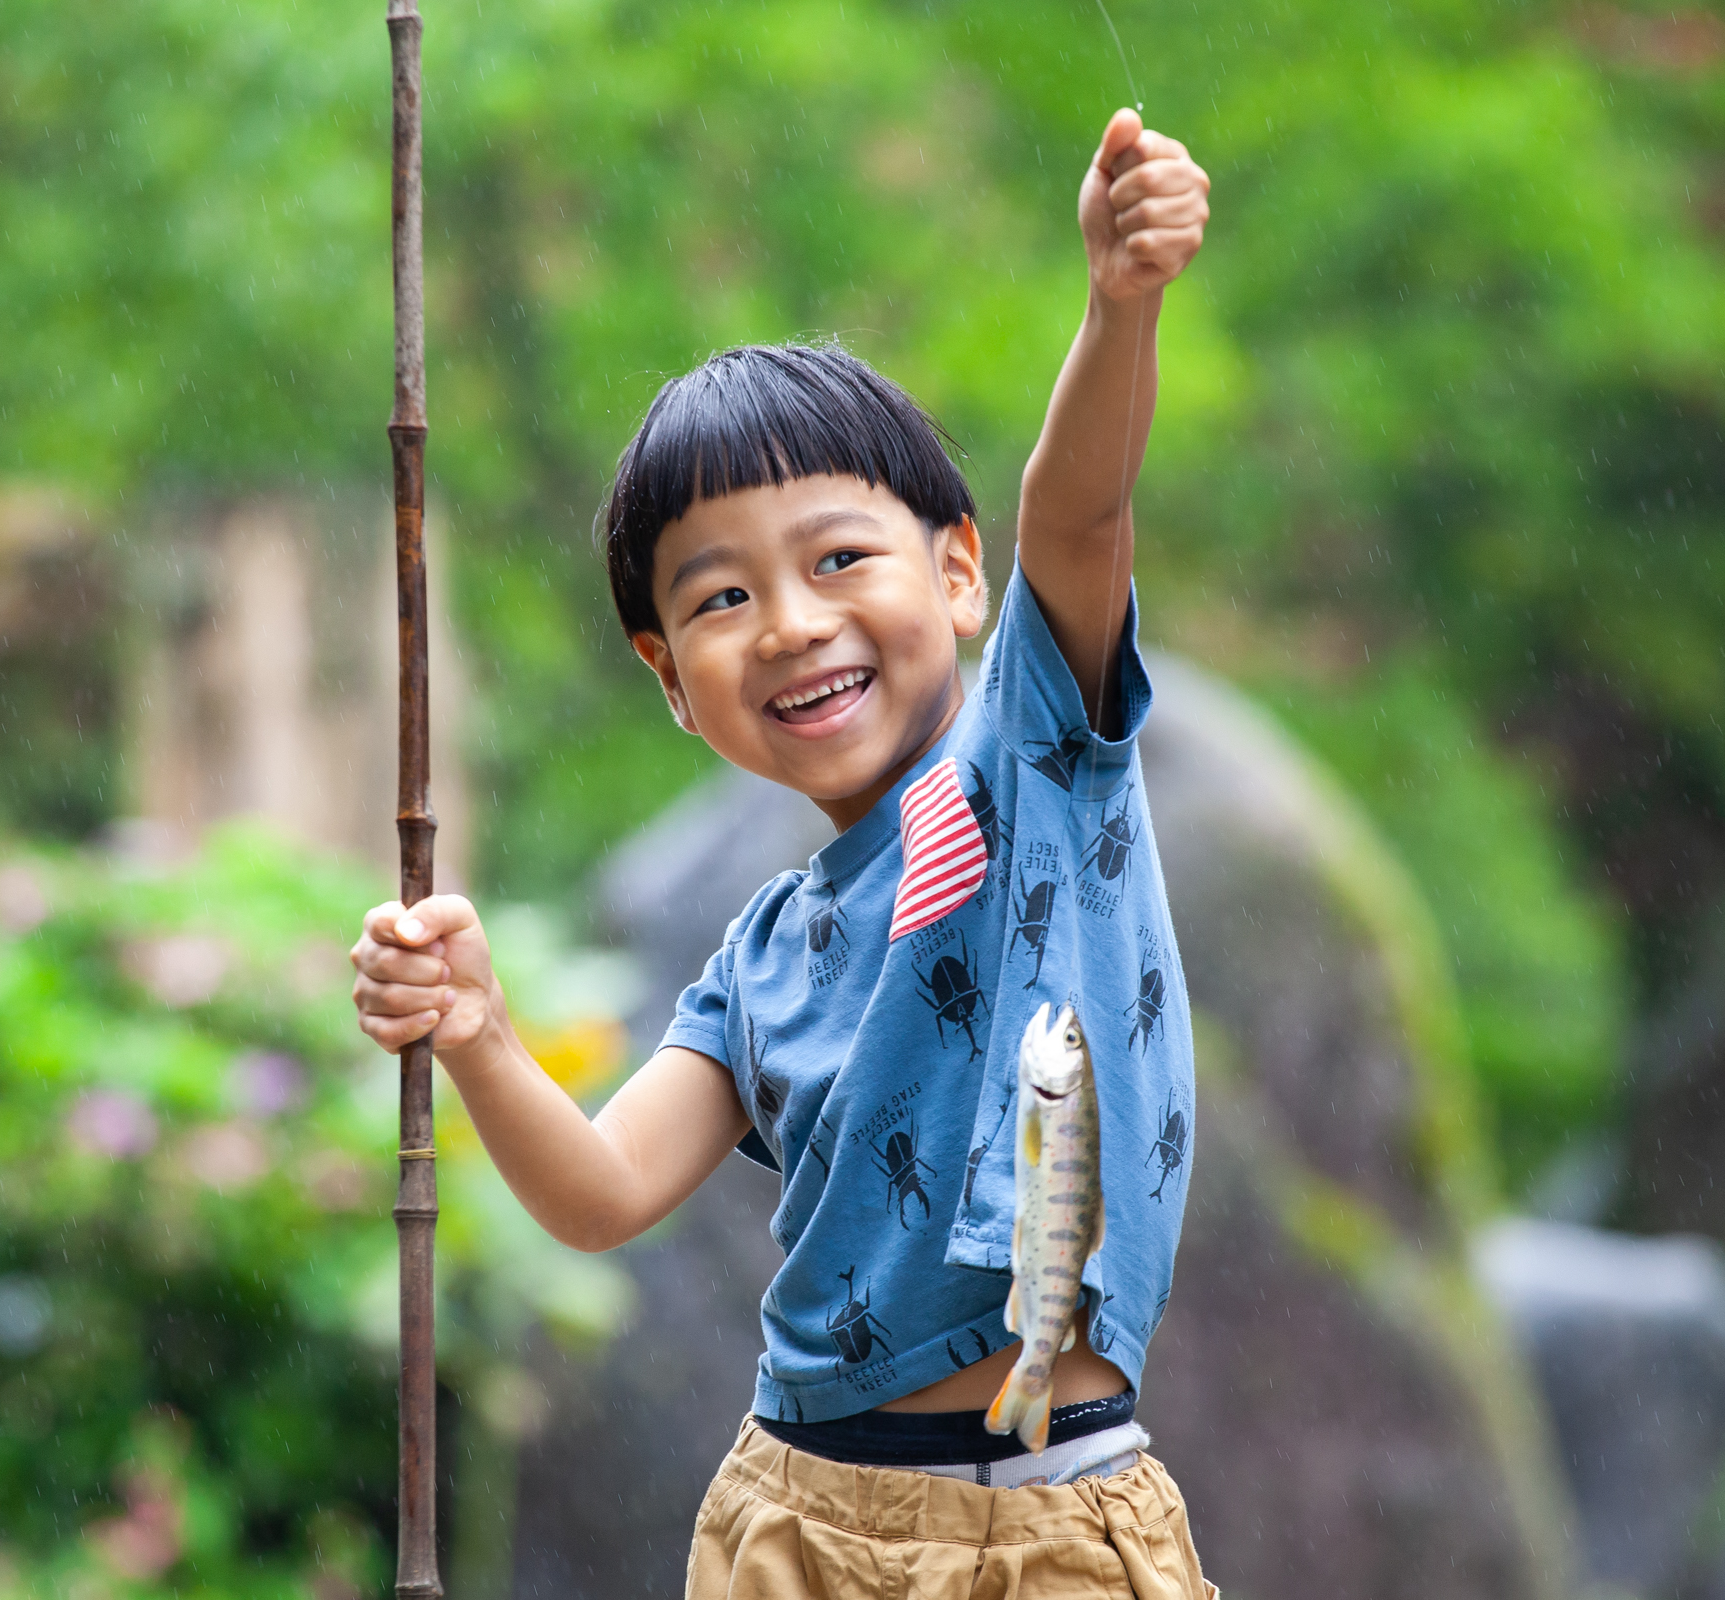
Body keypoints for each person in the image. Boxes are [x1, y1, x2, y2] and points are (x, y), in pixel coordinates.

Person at [352, 108, 1214, 1599]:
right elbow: (605, 1194)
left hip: (1062, 1520)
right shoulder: (758, 957)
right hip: (797, 1522)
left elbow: (1076, 510)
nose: (794, 624)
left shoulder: (1039, 758)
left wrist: (1117, 302)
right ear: (671, 679)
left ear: (956, 573)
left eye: (837, 559)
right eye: (721, 597)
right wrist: (480, 1030)